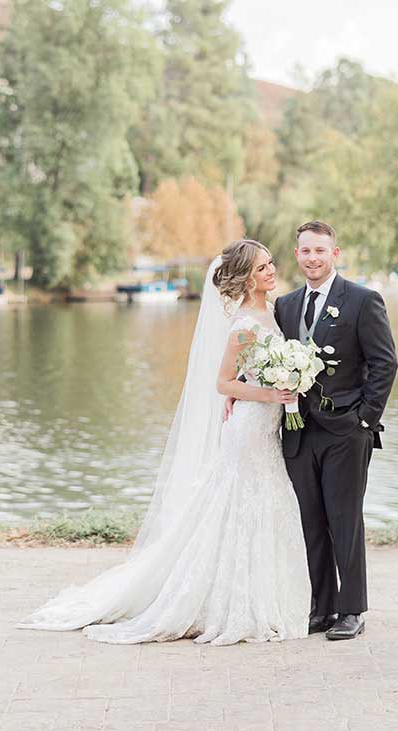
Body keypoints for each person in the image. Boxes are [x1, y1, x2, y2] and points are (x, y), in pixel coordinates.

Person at [18, 239, 310, 644]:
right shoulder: (244, 325)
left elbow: (244, 378)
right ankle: (222, 601)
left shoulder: (272, 311)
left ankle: (264, 596)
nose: (271, 272)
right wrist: (269, 393)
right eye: (262, 268)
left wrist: (283, 383)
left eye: (271, 264)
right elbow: (223, 382)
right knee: (238, 506)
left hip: (266, 428)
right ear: (245, 279)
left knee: (266, 504)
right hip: (247, 430)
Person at [274, 220, 398, 641]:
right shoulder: (285, 306)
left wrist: (365, 419)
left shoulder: (363, 301)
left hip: (346, 431)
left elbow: (385, 364)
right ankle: (321, 607)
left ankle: (351, 610)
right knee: (311, 521)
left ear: (334, 254)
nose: (312, 258)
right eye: (305, 251)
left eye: (320, 251)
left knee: (345, 520)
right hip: (297, 430)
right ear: (297, 255)